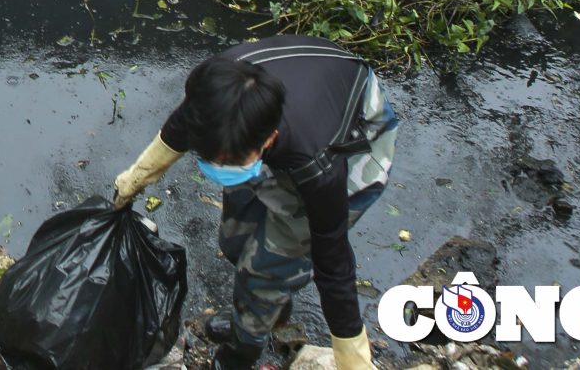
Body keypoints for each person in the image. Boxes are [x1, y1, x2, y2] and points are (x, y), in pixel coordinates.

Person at [112, 35, 400, 370]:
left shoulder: (317, 167)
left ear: (268, 141)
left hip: (354, 140)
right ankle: (268, 314)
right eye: (212, 158)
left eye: (230, 161)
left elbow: (333, 262)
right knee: (235, 241)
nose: (218, 167)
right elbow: (182, 125)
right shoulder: (217, 90)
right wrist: (136, 177)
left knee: (265, 269)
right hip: (286, 115)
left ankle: (239, 352)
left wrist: (352, 355)